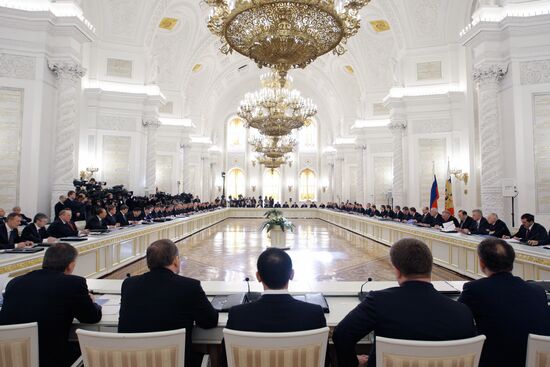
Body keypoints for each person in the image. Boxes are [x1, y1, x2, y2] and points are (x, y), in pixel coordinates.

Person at [333, 238, 476, 367]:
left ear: (397, 271)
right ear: (430, 267)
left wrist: (353, 362)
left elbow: (341, 336)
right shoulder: (462, 312)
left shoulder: (379, 302)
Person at [118, 239, 218, 367]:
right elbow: (210, 320)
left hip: (136, 361)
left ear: (148, 262)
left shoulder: (128, 284)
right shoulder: (189, 287)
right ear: (176, 260)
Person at [0, 243, 102, 367]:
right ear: (71, 266)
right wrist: (92, 302)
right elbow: (91, 317)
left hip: (10, 357)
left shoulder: (14, 282)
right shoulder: (73, 283)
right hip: (51, 359)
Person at [224, 248, 327, 365]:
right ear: (292, 275)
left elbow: (226, 360)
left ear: (258, 277)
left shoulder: (237, 315)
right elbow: (325, 359)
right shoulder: (314, 314)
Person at [458, 238, 550, 367]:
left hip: (495, 360)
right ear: (512, 262)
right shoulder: (537, 291)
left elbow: (458, 318)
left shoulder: (475, 289)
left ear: (482, 263)